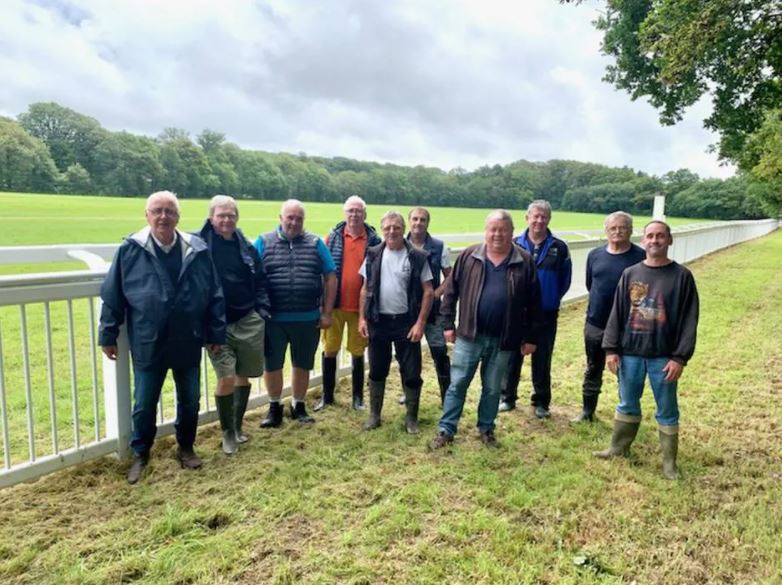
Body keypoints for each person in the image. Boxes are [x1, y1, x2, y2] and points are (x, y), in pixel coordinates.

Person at [99, 191, 225, 484]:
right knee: (144, 402)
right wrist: (108, 333)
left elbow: (214, 294)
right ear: (147, 215)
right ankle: (141, 454)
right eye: (157, 211)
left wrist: (215, 331)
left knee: (190, 399)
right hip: (148, 339)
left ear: (178, 217)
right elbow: (113, 296)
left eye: (169, 211)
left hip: (188, 338)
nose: (163, 216)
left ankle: (186, 447)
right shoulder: (130, 251)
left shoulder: (196, 250)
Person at [594, 220, 699, 480]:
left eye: (660, 236)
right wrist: (611, 349)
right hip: (629, 354)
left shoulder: (682, 276)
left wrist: (679, 357)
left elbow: (689, 320)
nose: (655, 240)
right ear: (644, 241)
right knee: (627, 402)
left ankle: (669, 463)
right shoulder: (630, 274)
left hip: (663, 357)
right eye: (650, 236)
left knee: (667, 408)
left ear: (669, 240)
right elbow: (617, 312)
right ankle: (618, 448)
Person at [430, 210, 542, 449]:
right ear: (485, 231)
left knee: (492, 388)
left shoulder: (524, 261)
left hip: (504, 339)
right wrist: (448, 324)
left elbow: (534, 304)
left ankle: (486, 428)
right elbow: (450, 292)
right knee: (458, 383)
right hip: (469, 336)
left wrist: (530, 337)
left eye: (503, 230)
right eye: (493, 229)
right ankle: (446, 429)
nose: (497, 234)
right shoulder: (469, 256)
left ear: (512, 233)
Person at [253, 199, 337, 427]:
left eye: (299, 218)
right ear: (280, 218)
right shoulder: (262, 242)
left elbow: (331, 276)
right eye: (290, 217)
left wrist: (327, 312)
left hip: (307, 318)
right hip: (273, 320)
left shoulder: (316, 243)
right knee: (272, 365)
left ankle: (298, 405)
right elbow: (250, 274)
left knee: (302, 364)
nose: (294, 222)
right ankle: (274, 407)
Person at [198, 195, 270, 454]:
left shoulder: (246, 246)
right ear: (211, 218)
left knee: (243, 375)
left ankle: (238, 427)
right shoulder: (198, 245)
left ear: (236, 218)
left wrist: (261, 311)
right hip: (217, 324)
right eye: (221, 215)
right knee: (226, 377)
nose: (226, 220)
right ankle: (227, 433)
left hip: (248, 319)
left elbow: (260, 279)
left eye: (231, 215)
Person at [357, 211, 434, 434]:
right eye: (388, 227)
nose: (392, 231)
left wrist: (420, 323)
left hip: (406, 323)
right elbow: (365, 288)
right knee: (377, 370)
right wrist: (362, 318)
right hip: (378, 322)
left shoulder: (417, 257)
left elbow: (428, 292)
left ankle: (411, 418)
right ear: (382, 230)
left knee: (411, 372)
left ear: (403, 229)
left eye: (397, 227)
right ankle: (374, 415)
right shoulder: (372, 254)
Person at [499, 200, 571, 419]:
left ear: (549, 219)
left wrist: (549, 299)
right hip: (516, 313)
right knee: (512, 356)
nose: (539, 220)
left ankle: (541, 401)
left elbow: (565, 280)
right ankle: (507, 397)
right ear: (527, 218)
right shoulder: (512, 244)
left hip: (546, 314)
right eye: (535, 216)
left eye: (544, 217)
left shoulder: (559, 247)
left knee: (542, 357)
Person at [573, 211, 645, 423]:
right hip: (596, 322)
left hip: (628, 325)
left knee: (626, 371)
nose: (617, 231)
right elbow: (590, 284)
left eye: (622, 227)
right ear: (606, 231)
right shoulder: (595, 255)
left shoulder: (640, 257)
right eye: (613, 228)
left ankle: (625, 415)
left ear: (631, 230)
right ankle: (587, 412)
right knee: (593, 367)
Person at [318, 196, 381, 411]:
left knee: (357, 352)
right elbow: (322, 272)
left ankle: (358, 398)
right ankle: (327, 396)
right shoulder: (333, 237)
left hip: (360, 309)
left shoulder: (374, 241)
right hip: (334, 305)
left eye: (358, 211)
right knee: (330, 349)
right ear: (344, 213)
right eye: (350, 211)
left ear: (365, 214)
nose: (354, 215)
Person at [403, 207, 452, 404]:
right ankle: (409, 393)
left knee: (439, 352)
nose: (418, 223)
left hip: (433, 311)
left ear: (428, 223)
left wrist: (436, 294)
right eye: (415, 219)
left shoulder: (440, 247)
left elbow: (450, 277)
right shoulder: (399, 244)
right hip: (406, 310)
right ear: (409, 221)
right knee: (408, 356)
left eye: (422, 220)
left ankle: (446, 396)